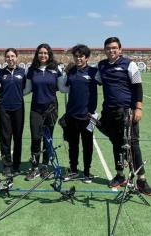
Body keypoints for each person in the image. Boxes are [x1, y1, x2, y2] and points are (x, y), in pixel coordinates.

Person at [96, 37, 151, 195]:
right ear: (105, 50)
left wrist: (138, 108)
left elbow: (138, 87)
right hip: (109, 111)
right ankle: (120, 175)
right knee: (116, 143)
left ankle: (142, 180)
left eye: (114, 48)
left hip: (127, 111)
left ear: (120, 49)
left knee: (133, 144)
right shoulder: (101, 66)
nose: (111, 50)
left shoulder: (129, 64)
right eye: (108, 48)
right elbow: (95, 81)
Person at [23, 43, 63, 181]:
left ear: (49, 54)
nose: (43, 55)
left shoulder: (55, 69)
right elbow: (27, 90)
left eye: (45, 53)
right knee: (35, 138)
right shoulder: (32, 70)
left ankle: (45, 166)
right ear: (37, 54)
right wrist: (12, 93)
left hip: (51, 108)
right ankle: (34, 167)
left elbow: (62, 88)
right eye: (40, 53)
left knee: (48, 138)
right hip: (36, 109)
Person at [59, 44, 98, 184]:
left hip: (88, 116)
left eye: (81, 56)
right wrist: (64, 73)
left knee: (88, 146)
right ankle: (74, 170)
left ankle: (87, 172)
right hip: (71, 116)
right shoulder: (71, 72)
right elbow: (63, 88)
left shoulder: (94, 72)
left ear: (86, 57)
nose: (78, 58)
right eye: (76, 56)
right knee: (73, 145)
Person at [0, 48, 26, 177]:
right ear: (5, 58)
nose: (10, 58)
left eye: (13, 56)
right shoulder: (0, 73)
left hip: (18, 108)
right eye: (8, 56)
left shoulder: (23, 72)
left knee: (18, 137)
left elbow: (25, 87)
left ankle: (17, 165)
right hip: (4, 108)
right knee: (5, 138)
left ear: (17, 57)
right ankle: (7, 165)